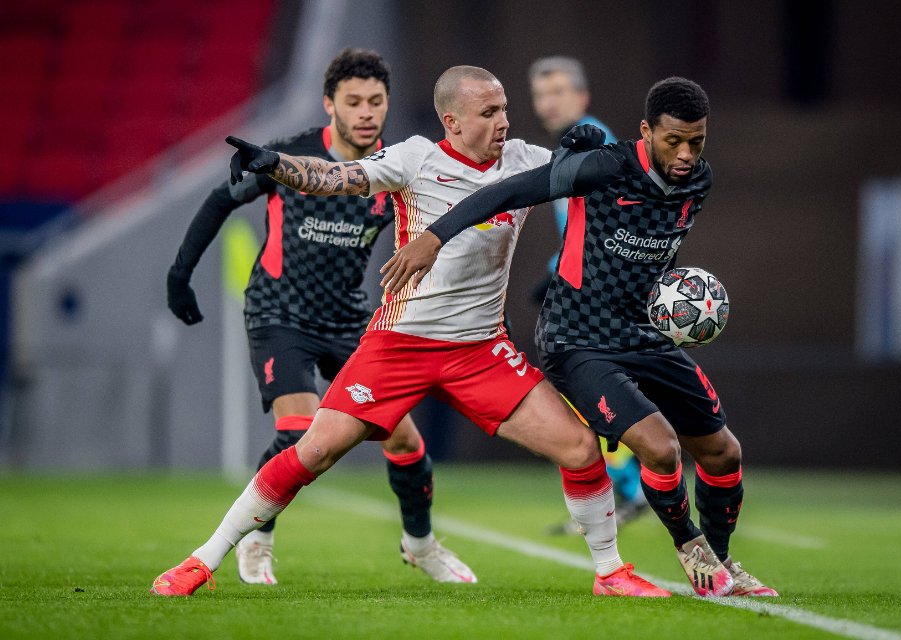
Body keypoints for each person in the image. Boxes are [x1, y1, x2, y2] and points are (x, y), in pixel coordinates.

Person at [151, 65, 670, 598]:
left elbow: (613, 178)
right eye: (488, 112)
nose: (504, 121)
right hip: (399, 344)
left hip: (481, 351)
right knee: (313, 451)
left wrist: (594, 152)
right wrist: (278, 166)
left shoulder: (524, 162)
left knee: (581, 447)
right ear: (452, 119)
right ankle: (203, 559)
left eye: (505, 108)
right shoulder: (416, 157)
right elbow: (336, 178)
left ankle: (610, 572)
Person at [379, 77, 779, 598]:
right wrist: (434, 237)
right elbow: (508, 190)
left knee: (724, 453)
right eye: (673, 140)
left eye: (696, 142)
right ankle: (696, 555)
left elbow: (653, 249)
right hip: (578, 336)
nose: (684, 154)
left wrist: (675, 305)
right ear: (646, 131)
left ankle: (723, 564)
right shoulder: (606, 166)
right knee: (660, 449)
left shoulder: (697, 182)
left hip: (644, 331)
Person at [164, 48, 474, 586]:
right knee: (300, 429)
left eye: (376, 101)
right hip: (279, 312)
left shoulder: (398, 169)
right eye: (352, 101)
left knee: (405, 441)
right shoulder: (292, 157)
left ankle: (420, 546)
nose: (365, 112)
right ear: (329, 104)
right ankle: (256, 537)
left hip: (349, 319)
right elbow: (219, 199)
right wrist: (179, 274)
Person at [528, 56, 648, 534]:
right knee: (586, 397)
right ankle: (625, 491)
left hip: (600, 297)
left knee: (589, 395)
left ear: (583, 96)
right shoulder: (574, 145)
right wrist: (556, 269)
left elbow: (615, 220)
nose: (548, 102)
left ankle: (633, 491)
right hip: (583, 287)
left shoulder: (591, 141)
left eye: (558, 91)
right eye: (541, 93)